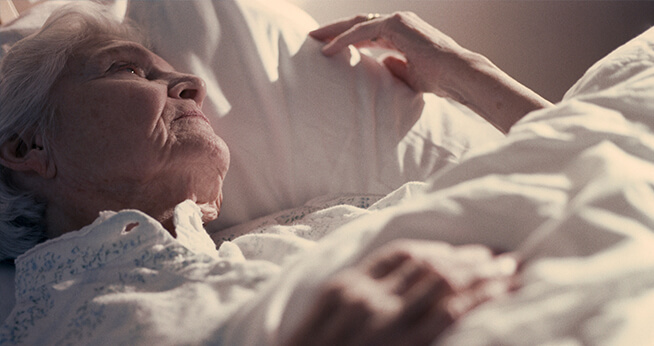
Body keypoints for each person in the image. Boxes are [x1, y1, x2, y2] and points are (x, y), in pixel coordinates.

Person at [0, 4, 544, 345]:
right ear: (29, 147)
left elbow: (580, 171)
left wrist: (465, 72)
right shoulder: (58, 322)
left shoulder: (314, 227)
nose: (193, 82)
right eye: (129, 69)